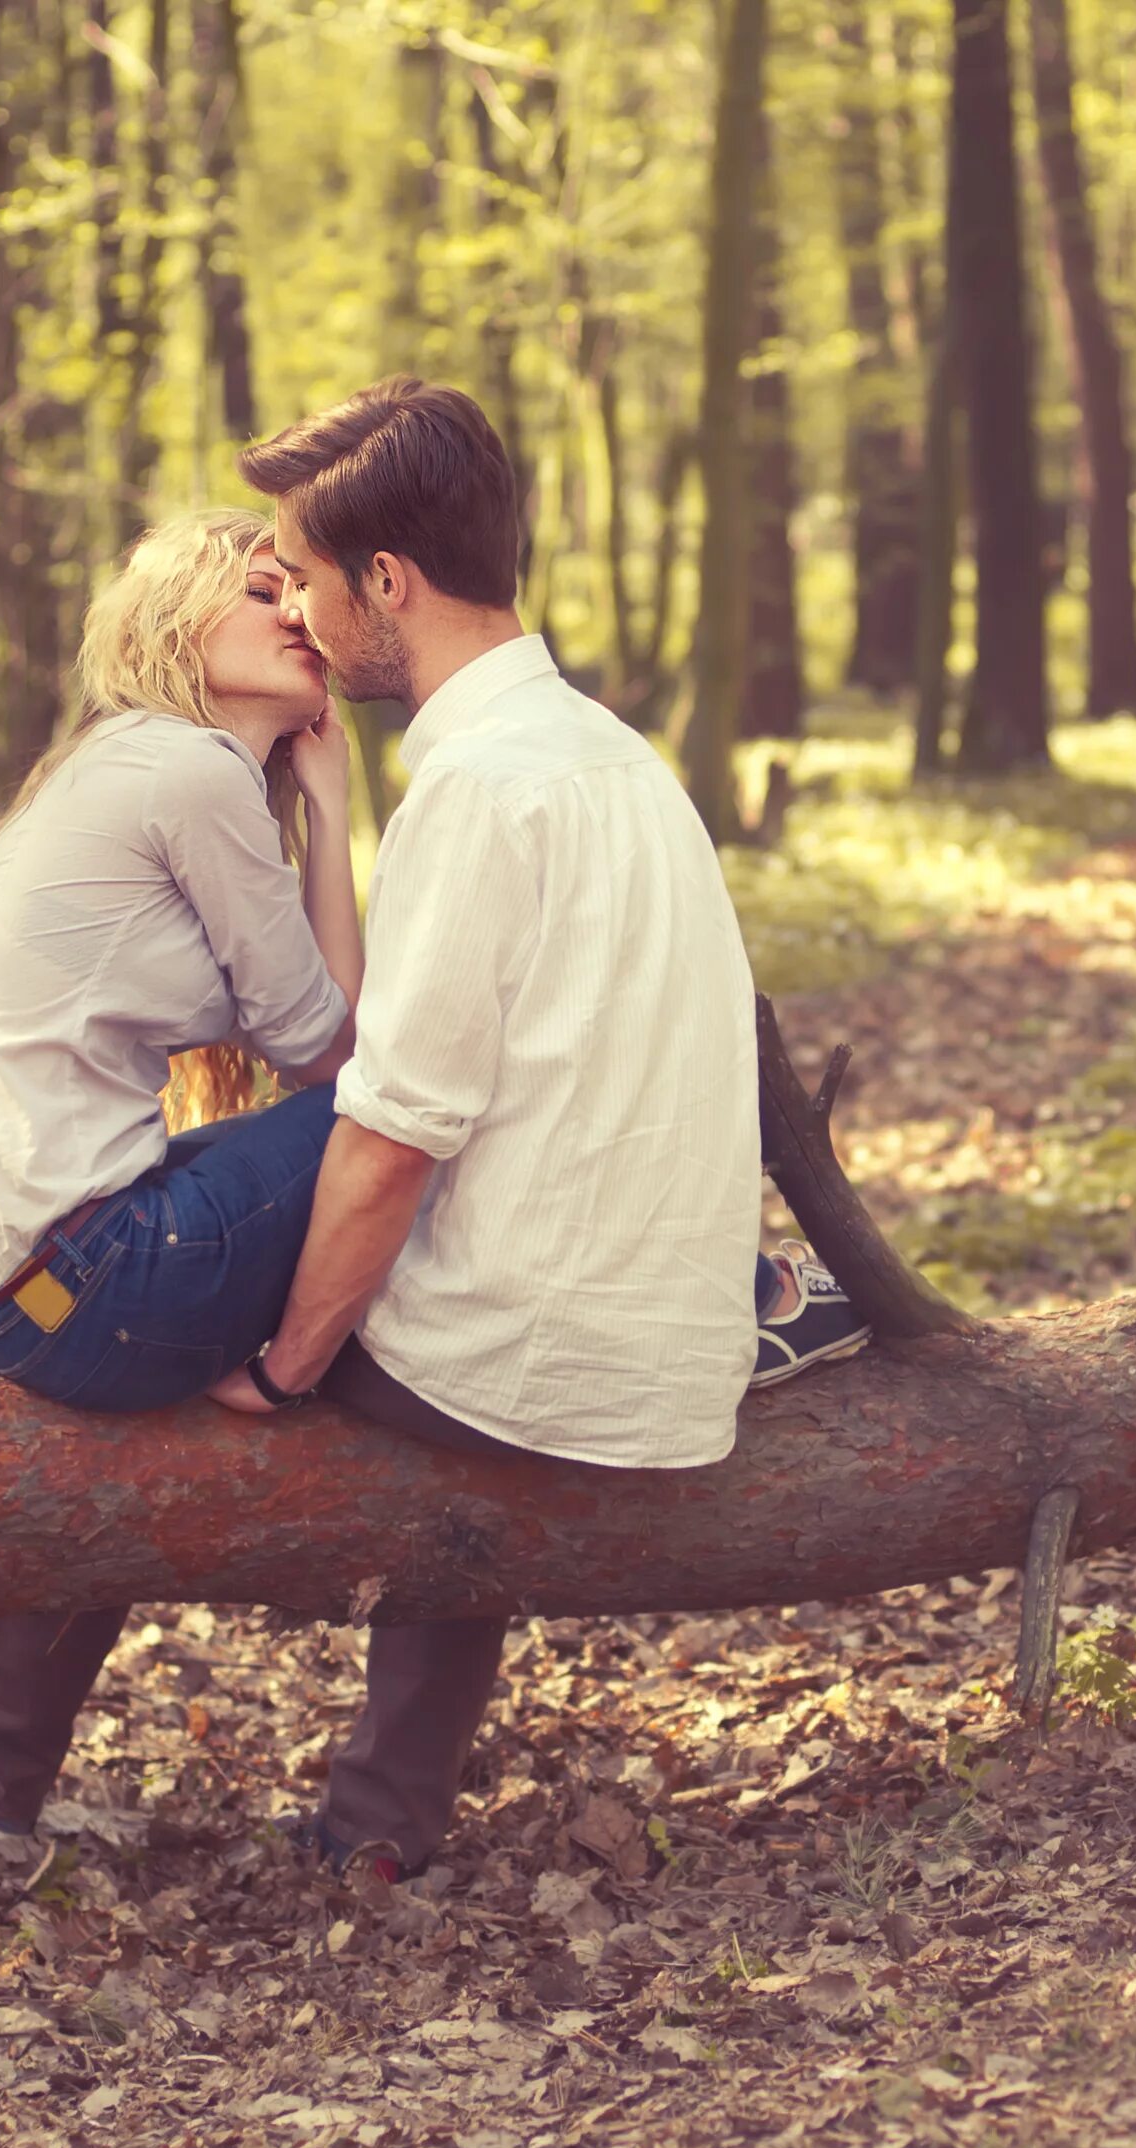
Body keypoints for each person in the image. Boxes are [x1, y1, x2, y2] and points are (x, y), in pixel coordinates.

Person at [205, 377, 871, 1881]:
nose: (297, 618)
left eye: (308, 581)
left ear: (389, 582)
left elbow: (389, 1134)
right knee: (441, 1279)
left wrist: (286, 1363)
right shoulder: (611, 761)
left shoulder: (487, 793)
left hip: (544, 1368)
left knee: (142, 1304)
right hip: (658, 1347)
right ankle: (381, 1822)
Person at [0, 509, 365, 1836]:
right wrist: (330, 809)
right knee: (415, 1118)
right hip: (94, 1279)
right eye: (266, 592)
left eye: (300, 593)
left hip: (21, 1299)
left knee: (132, 1435)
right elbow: (333, 1054)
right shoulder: (188, 772)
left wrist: (310, 801)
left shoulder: (125, 775)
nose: (298, 614)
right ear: (180, 622)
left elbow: (300, 1031)